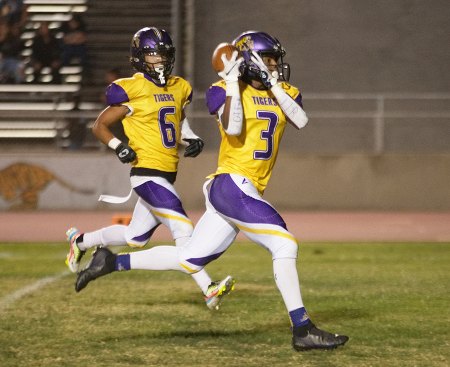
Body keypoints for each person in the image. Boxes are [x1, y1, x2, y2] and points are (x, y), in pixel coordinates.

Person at [75, 30, 349, 351]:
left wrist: (271, 83)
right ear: (250, 61)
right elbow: (232, 128)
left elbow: (301, 120)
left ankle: (110, 262)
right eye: (270, 61)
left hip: (244, 188)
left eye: (276, 62)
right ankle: (302, 328)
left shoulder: (285, 91)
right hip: (231, 183)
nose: (276, 67)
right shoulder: (223, 89)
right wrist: (234, 81)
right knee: (284, 244)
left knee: (190, 258)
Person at [65, 27, 234, 310]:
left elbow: (178, 121)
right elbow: (99, 125)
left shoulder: (179, 87)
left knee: (134, 237)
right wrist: (118, 146)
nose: (161, 60)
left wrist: (190, 138)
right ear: (140, 57)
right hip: (145, 173)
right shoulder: (133, 88)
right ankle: (208, 287)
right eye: (154, 54)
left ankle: (81, 242)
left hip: (167, 172)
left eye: (164, 54)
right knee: (182, 225)